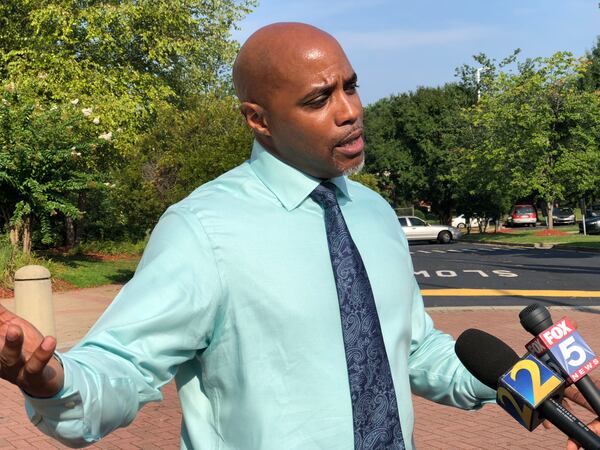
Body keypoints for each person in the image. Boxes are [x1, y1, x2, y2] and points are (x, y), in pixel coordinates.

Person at [0, 22, 597, 450]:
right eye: (319, 99)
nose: (350, 111)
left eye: (351, 86)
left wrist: (538, 389)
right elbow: (121, 367)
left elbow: (415, 351)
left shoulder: (374, 213)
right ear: (259, 119)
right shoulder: (202, 230)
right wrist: (53, 381)